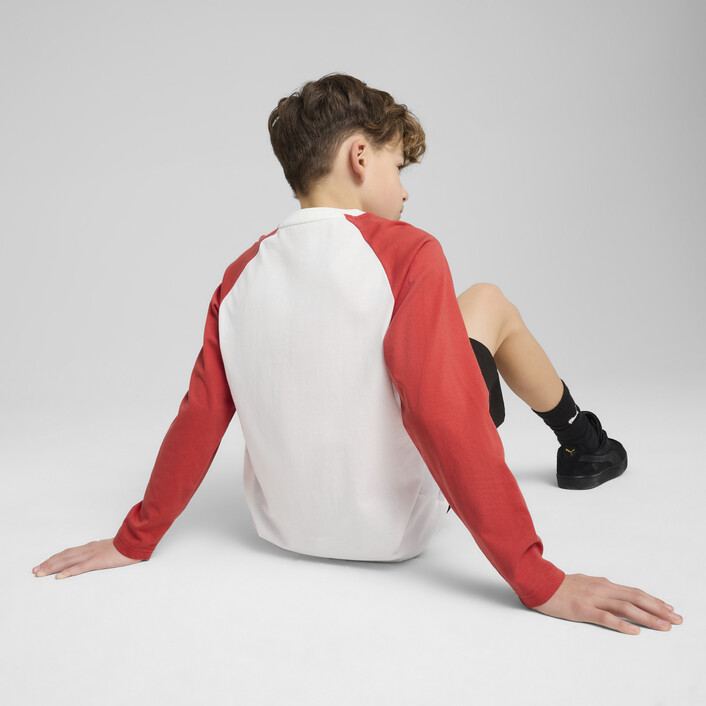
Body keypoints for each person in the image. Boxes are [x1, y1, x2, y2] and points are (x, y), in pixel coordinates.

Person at [33, 74, 682, 635]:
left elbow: (200, 416)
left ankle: (584, 443)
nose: (405, 192)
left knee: (451, 323)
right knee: (487, 303)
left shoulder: (237, 276)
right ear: (360, 156)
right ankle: (585, 443)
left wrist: (135, 539)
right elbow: (441, 411)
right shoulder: (409, 251)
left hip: (284, 530)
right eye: (399, 168)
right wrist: (537, 578)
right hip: (399, 533)